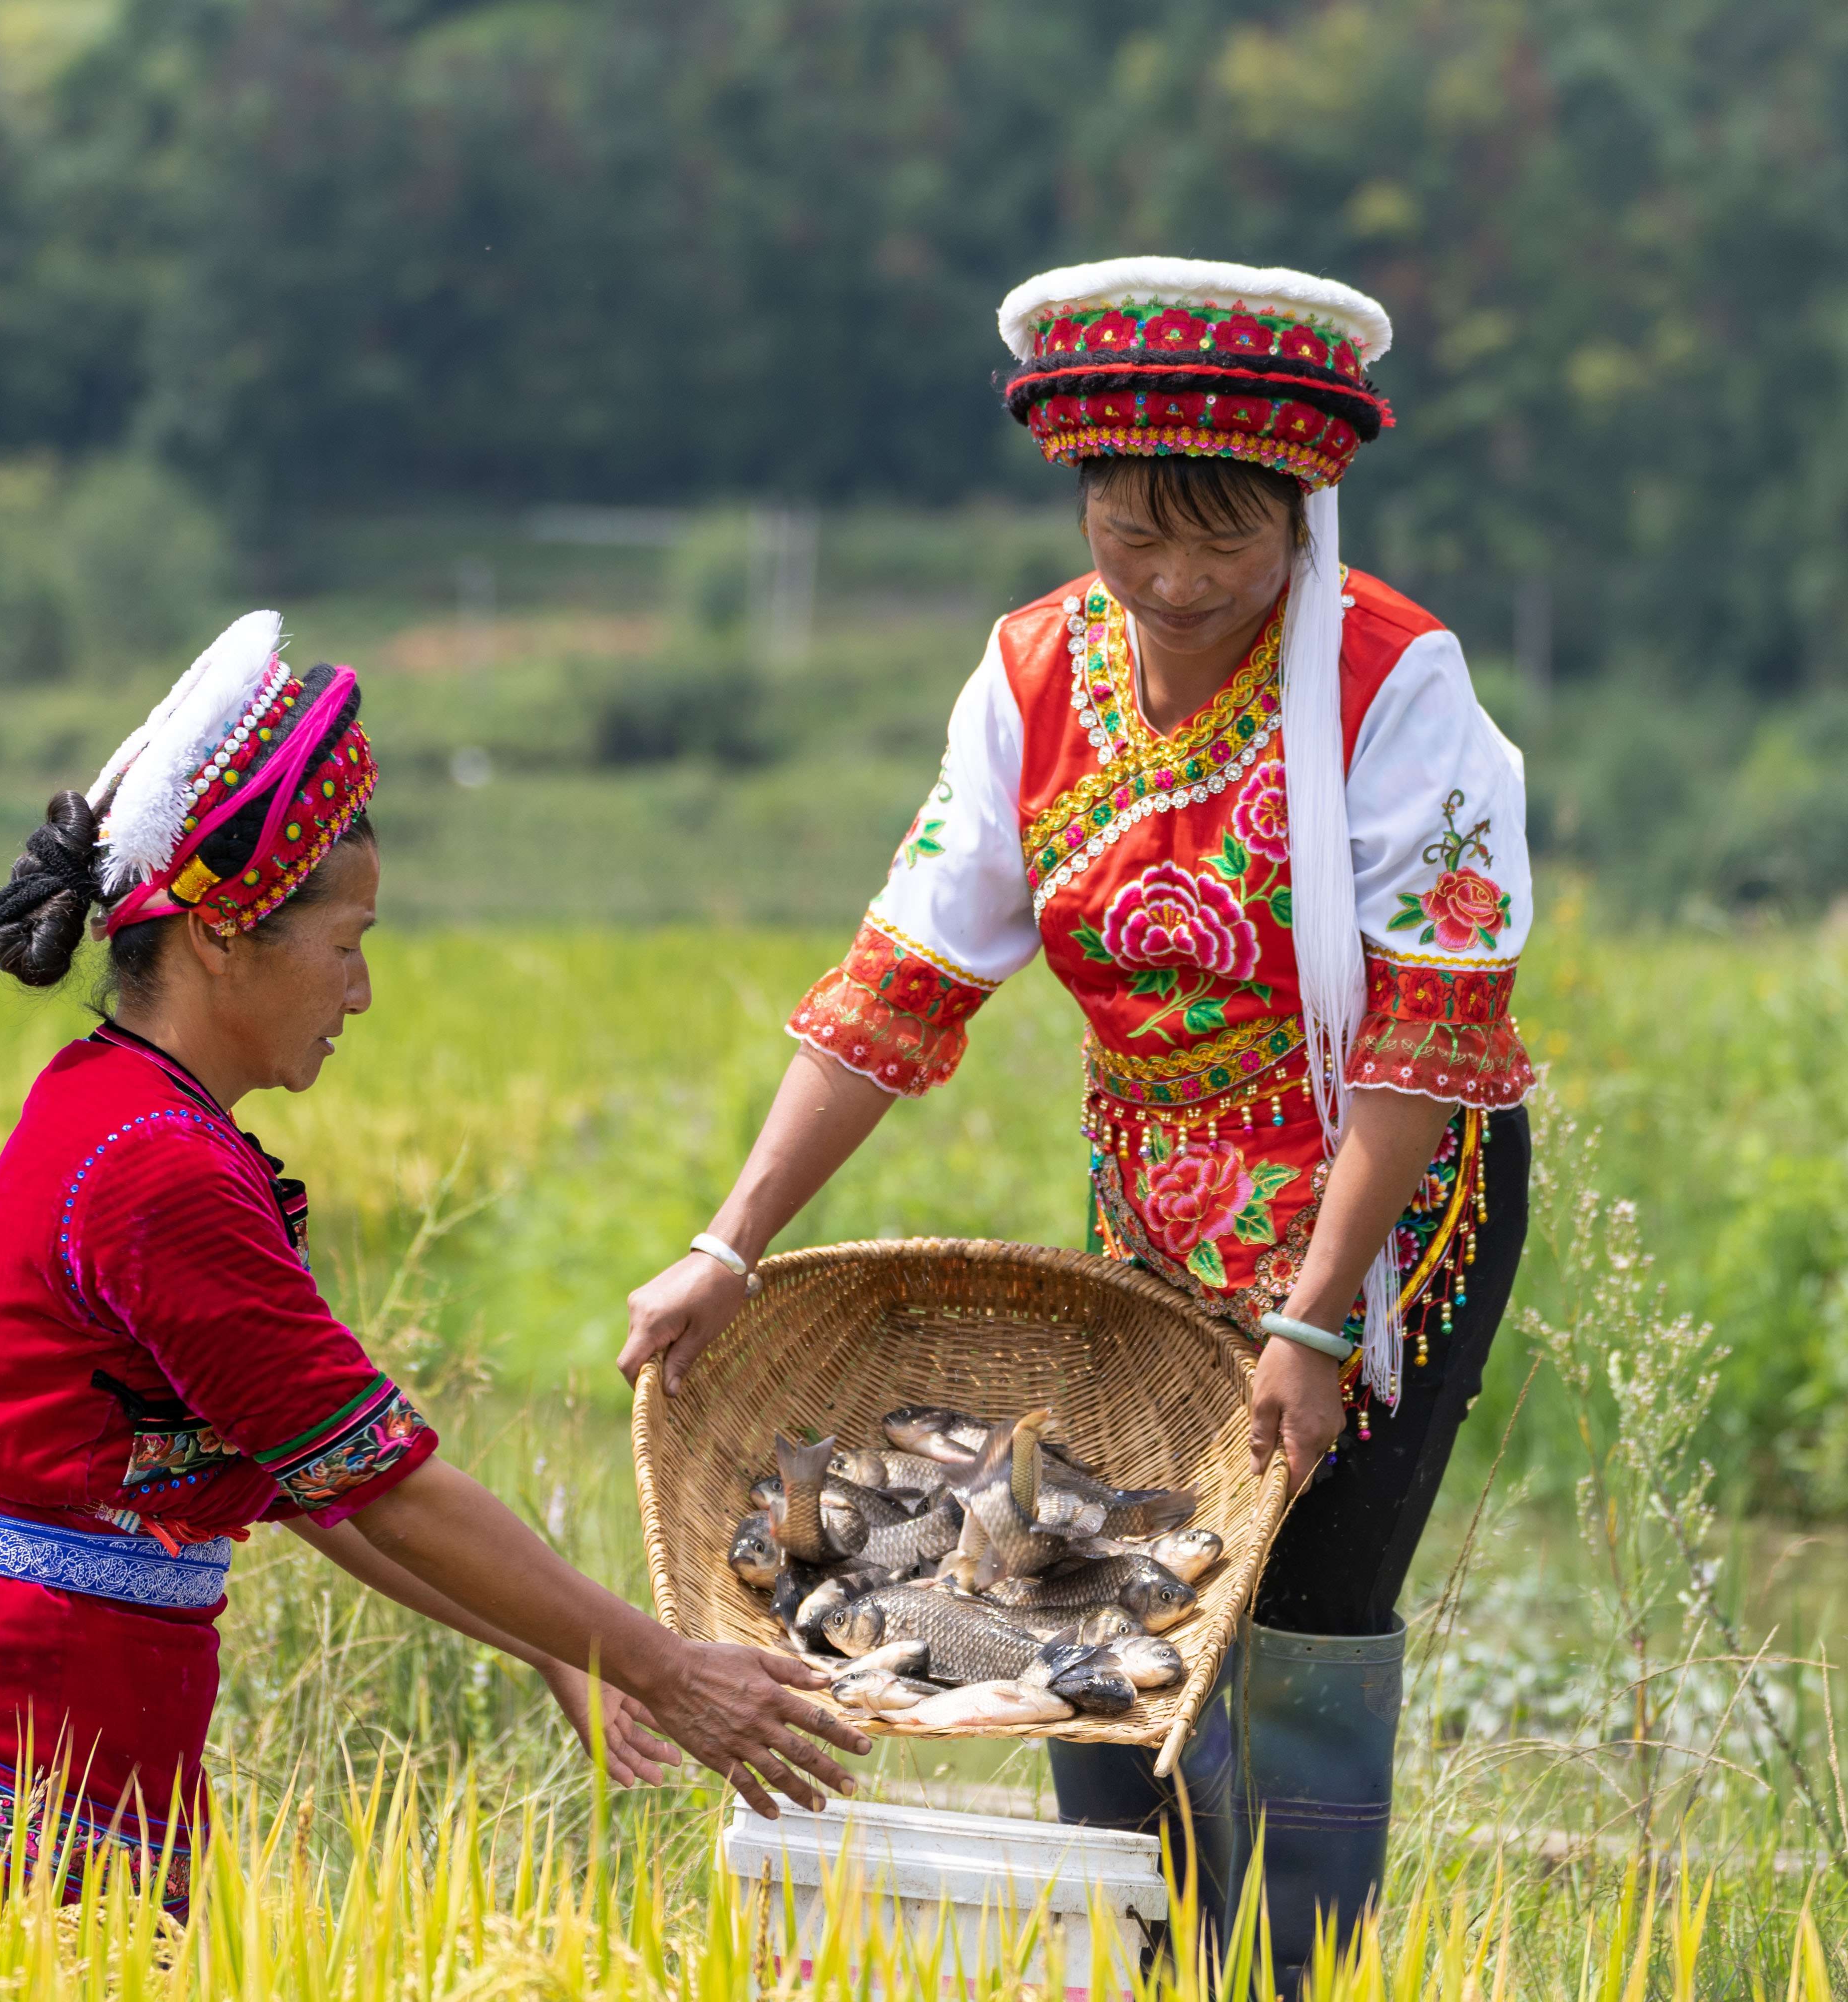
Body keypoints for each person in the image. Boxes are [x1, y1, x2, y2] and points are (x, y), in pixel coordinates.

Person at [616, 259, 1534, 1983]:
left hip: (1388, 1205)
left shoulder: (1394, 680)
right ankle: (1138, 1951)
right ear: (1082, 503)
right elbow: (902, 980)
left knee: (1304, 1606)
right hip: (1159, 1194)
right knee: (1121, 1583)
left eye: (1225, 543)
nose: (1176, 583)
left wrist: (1314, 1322)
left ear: (1303, 512)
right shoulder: (1032, 674)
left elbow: (1428, 1035)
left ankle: (1295, 1970)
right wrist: (728, 1246)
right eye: (1134, 536)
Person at [0, 612, 864, 1907]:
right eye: (347, 945)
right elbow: (384, 1485)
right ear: (221, 933)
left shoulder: (139, 1118)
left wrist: (557, 1647)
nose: (359, 994)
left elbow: (314, 1482)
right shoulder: (155, 1166)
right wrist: (664, 1666)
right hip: (5, 1709)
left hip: (74, 1693)